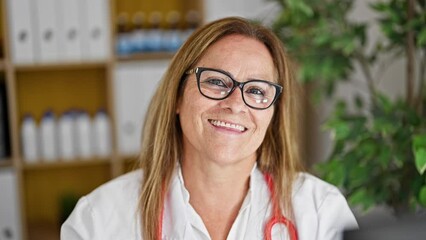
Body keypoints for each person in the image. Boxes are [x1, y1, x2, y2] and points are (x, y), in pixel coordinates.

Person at [61, 17, 358, 240]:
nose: (235, 104)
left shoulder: (320, 212)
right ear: (178, 96)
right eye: (216, 81)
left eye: (256, 91)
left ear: (273, 113)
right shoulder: (98, 220)